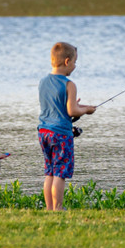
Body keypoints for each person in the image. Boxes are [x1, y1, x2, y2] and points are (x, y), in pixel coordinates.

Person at [38, 42, 95, 211]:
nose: (75, 66)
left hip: (43, 132)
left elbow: (56, 107)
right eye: (75, 62)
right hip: (61, 134)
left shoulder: (43, 82)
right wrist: (87, 110)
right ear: (67, 61)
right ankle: (58, 208)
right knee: (60, 173)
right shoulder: (69, 84)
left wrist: (79, 107)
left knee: (49, 172)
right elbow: (71, 111)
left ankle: (49, 208)